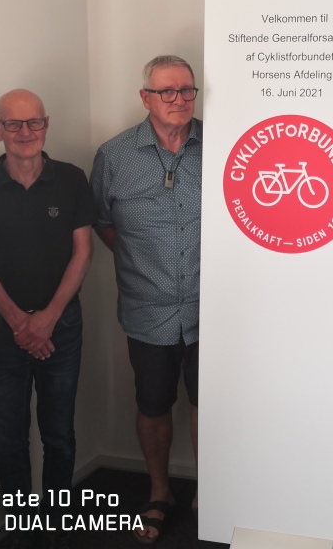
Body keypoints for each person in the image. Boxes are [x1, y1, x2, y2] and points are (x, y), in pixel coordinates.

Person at [0, 89, 94, 549]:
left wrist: (48, 318)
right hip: (1, 331)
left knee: (59, 434)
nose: (25, 132)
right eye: (13, 124)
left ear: (46, 125)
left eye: (34, 122)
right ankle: (19, 533)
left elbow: (83, 252)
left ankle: (56, 528)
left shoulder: (72, 179)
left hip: (62, 328)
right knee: (8, 439)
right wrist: (20, 322)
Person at [91, 55, 201, 544]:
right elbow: (101, 221)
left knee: (210, 402)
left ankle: (211, 489)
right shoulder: (114, 155)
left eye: (186, 90)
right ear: (145, 98)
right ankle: (160, 492)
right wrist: (142, 262)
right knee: (153, 404)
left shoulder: (221, 146)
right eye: (167, 91)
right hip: (147, 307)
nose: (179, 100)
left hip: (213, 306)